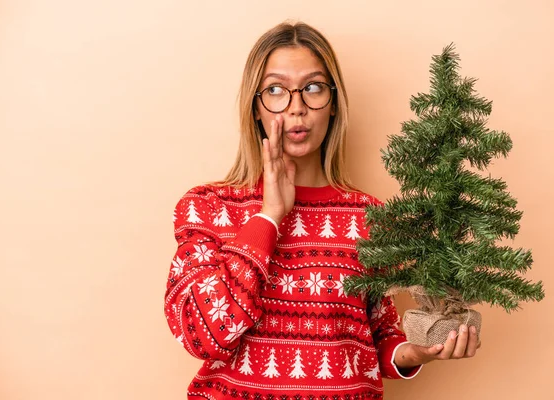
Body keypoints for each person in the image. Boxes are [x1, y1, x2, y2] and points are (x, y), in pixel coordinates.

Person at [164, 21, 479, 399]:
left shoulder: (371, 217)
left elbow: (378, 333)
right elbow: (203, 335)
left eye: (313, 88)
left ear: (332, 105)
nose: (297, 108)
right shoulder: (206, 208)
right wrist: (268, 217)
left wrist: (410, 354)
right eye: (277, 91)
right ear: (255, 108)